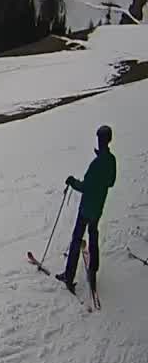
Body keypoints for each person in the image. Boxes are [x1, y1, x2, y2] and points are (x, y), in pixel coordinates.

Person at [57, 124, 116, 294]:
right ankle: (93, 271)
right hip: (98, 207)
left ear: (101, 140)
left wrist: (72, 181)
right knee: (93, 235)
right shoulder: (111, 161)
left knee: (77, 238)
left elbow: (85, 186)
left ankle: (69, 276)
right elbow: (110, 182)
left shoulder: (96, 164)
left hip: (86, 208)